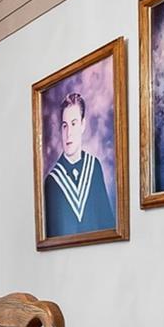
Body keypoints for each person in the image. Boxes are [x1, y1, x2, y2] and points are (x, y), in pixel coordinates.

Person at [43, 91, 115, 236]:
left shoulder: (94, 167)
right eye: (65, 126)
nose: (68, 133)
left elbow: (107, 224)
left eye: (73, 124)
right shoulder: (52, 182)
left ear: (82, 125)